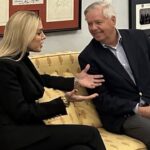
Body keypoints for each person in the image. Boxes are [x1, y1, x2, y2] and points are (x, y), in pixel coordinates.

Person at [0, 11, 106, 150]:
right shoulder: (5, 66)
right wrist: (63, 101)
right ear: (24, 35)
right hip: (15, 137)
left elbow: (39, 79)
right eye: (39, 33)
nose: (44, 37)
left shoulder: (19, 59)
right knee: (91, 133)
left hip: (29, 130)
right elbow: (22, 113)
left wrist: (75, 81)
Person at [79, 1, 150, 149]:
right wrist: (138, 108)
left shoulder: (138, 37)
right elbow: (102, 99)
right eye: (89, 24)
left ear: (113, 20)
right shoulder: (88, 57)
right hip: (124, 115)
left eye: (98, 22)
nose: (93, 28)